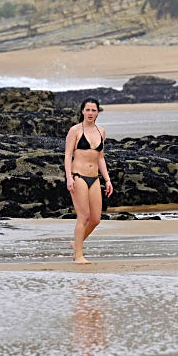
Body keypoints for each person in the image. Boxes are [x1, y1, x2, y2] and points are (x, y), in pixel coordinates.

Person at [64, 98, 113, 264]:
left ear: (98, 112)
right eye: (88, 110)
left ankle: (75, 243)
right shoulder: (75, 130)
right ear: (82, 111)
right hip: (78, 176)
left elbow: (100, 158)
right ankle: (78, 255)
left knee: (95, 219)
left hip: (94, 178)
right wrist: (69, 177)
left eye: (94, 110)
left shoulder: (101, 132)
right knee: (83, 216)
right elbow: (67, 155)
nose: (90, 113)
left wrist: (107, 180)